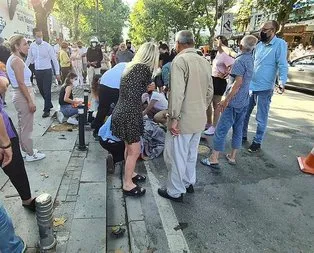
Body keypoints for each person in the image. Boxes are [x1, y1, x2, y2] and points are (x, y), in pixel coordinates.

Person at [157, 30, 213, 202]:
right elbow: (210, 91)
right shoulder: (204, 61)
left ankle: (175, 191)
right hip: (199, 116)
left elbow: (177, 93)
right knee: (190, 154)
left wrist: (174, 118)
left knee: (176, 155)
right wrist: (201, 107)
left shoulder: (180, 60)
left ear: (179, 43)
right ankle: (188, 182)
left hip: (182, 118)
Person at [201, 35, 258, 168]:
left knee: (221, 130)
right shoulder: (250, 59)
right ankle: (232, 156)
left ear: (241, 46)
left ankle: (214, 158)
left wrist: (226, 100)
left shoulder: (240, 61)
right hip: (244, 99)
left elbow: (238, 82)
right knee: (238, 129)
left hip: (234, 101)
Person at [111, 42, 159, 197]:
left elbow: (132, 89)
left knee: (128, 147)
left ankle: (130, 175)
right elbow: (141, 92)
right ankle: (127, 184)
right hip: (130, 113)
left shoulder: (131, 66)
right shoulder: (144, 69)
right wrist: (149, 88)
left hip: (122, 111)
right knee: (135, 150)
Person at [242, 20, 288, 152]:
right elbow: (252, 61)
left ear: (273, 31)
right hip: (251, 85)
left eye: (264, 29)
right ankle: (243, 136)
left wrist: (282, 82)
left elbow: (282, 64)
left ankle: (257, 141)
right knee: (245, 113)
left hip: (265, 88)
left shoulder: (280, 44)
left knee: (261, 117)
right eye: (261, 29)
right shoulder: (259, 45)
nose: (261, 32)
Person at [0, 64, 37, 211]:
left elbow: (4, 83)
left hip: (5, 128)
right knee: (12, 161)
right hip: (4, 135)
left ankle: (26, 198)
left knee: (16, 167)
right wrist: (5, 145)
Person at [7, 35, 46, 162]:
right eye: (24, 44)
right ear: (16, 46)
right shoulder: (16, 61)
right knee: (27, 126)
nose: (28, 46)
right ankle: (29, 153)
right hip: (22, 94)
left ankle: (25, 150)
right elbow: (21, 83)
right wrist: (30, 100)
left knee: (23, 125)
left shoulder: (15, 59)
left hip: (20, 93)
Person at [25, 28, 60, 118]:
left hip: (47, 71)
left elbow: (54, 60)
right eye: (37, 36)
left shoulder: (48, 46)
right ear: (34, 36)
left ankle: (46, 110)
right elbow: (29, 58)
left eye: (41, 36)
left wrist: (57, 73)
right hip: (38, 71)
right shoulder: (32, 46)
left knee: (47, 90)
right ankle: (49, 104)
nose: (39, 37)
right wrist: (24, 68)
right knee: (41, 90)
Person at [204, 35, 235, 136]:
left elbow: (233, 65)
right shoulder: (218, 53)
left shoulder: (225, 54)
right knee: (208, 103)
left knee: (216, 105)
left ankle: (214, 126)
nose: (214, 43)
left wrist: (225, 74)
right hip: (213, 79)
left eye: (216, 41)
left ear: (220, 42)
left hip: (219, 81)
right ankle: (209, 123)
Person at [91, 62, 127, 136]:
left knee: (103, 108)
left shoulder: (121, 65)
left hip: (104, 82)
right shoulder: (134, 68)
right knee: (121, 109)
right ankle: (118, 131)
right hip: (116, 86)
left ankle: (96, 129)